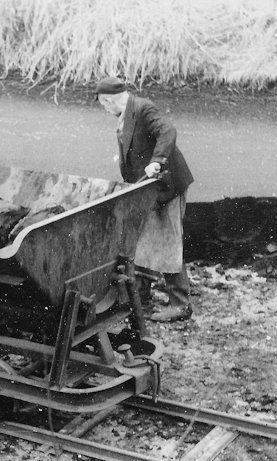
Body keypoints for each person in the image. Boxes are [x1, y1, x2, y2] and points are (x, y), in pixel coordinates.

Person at [95, 76, 194, 322]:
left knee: (168, 242)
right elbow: (137, 142)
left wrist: (156, 161)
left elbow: (168, 131)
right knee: (142, 237)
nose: (105, 110)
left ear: (110, 100)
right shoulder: (127, 113)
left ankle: (180, 304)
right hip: (148, 190)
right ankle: (141, 293)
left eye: (105, 105)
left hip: (167, 186)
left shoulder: (142, 108)